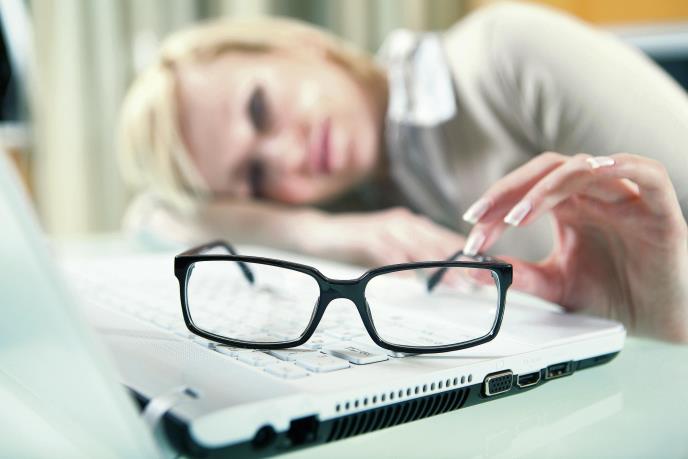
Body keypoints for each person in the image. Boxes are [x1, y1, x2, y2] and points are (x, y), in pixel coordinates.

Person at [118, 2, 688, 342]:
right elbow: (151, 216)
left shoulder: (501, 56)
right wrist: (317, 231)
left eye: (260, 108)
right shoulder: (362, 211)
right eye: (256, 177)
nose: (286, 157)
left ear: (301, 46)